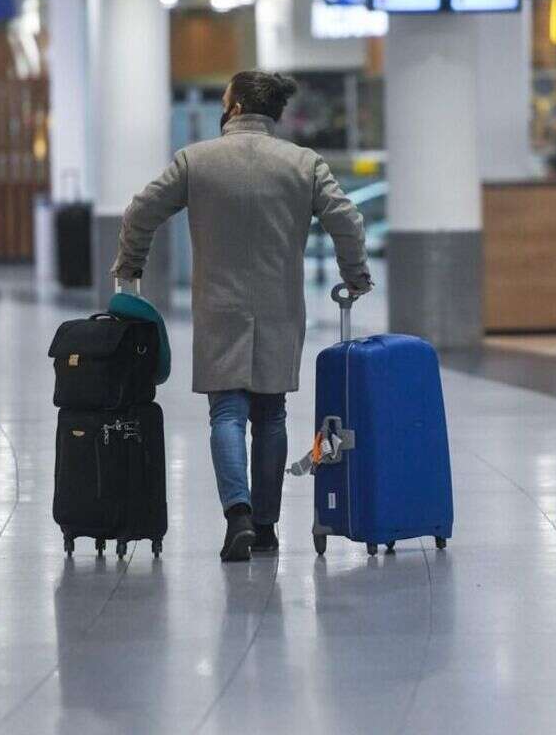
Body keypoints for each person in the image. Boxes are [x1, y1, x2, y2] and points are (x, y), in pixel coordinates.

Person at [112, 71, 372, 562]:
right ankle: (268, 527)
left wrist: (131, 266)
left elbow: (139, 212)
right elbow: (347, 220)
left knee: (226, 411)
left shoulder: (197, 161)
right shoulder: (303, 163)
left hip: (219, 307)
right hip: (279, 307)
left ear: (232, 107)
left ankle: (238, 517)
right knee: (271, 413)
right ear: (272, 113)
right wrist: (355, 275)